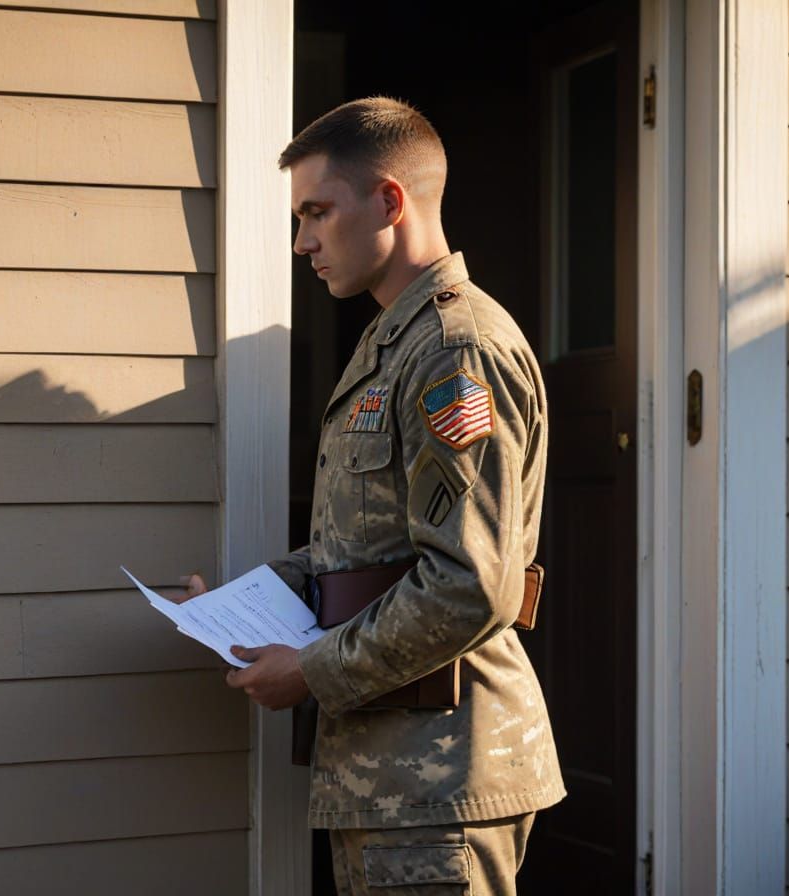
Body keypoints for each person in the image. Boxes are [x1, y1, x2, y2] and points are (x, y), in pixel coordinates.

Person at [186, 96, 565, 895]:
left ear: (390, 201)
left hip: (439, 781)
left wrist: (312, 671)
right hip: (385, 779)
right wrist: (247, 603)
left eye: (317, 212)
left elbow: (471, 583)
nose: (302, 242)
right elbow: (367, 545)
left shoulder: (456, 350)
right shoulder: (394, 340)